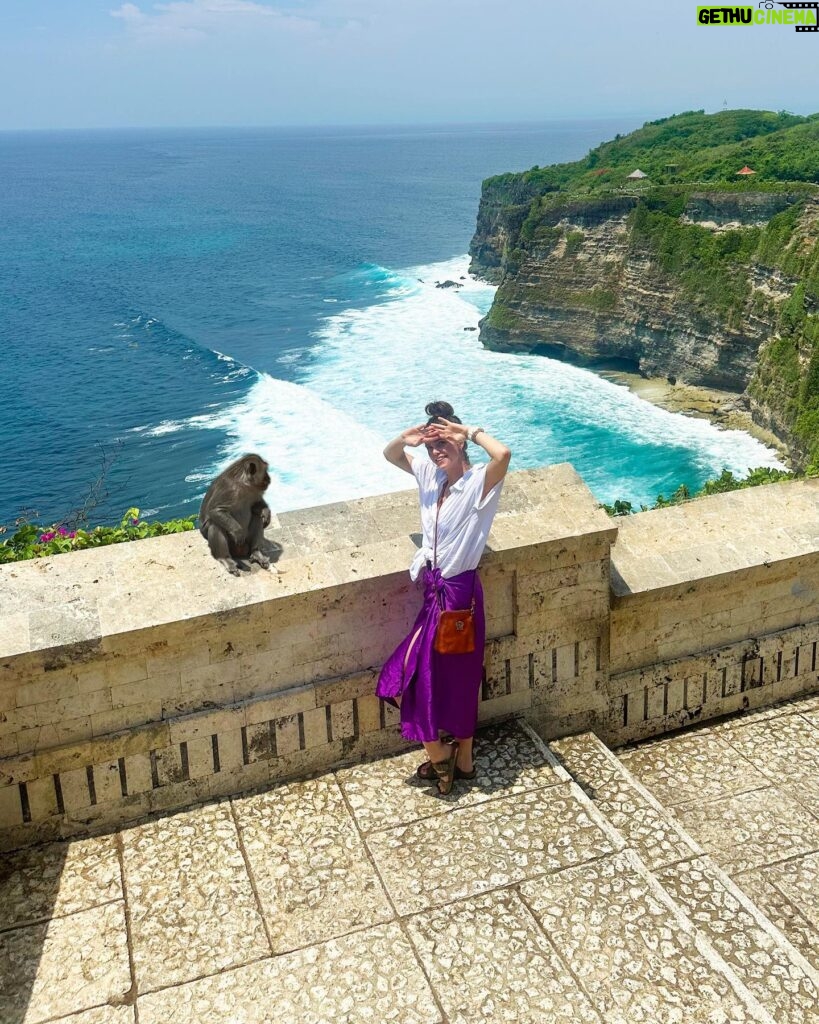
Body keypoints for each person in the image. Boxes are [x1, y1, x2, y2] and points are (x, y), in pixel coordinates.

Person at [376, 401, 511, 794]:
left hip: (458, 598)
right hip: (434, 592)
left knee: (447, 679)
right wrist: (411, 436)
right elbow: (390, 454)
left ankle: (444, 760)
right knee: (429, 677)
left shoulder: (480, 484)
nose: (437, 450)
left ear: (460, 444)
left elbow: (502, 453)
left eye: (444, 442)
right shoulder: (429, 476)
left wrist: (465, 430)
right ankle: (459, 759)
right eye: (432, 445)